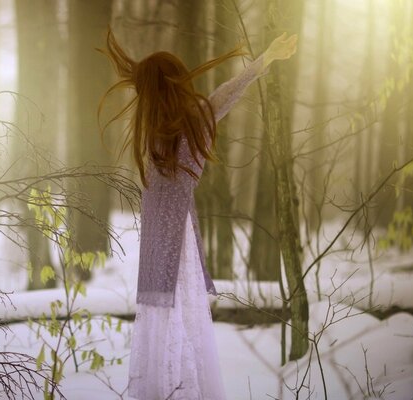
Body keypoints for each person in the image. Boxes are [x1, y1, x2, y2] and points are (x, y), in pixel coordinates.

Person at [99, 29, 297, 400]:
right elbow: (221, 98)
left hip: (167, 241)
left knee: (170, 318)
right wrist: (263, 61)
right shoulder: (170, 128)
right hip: (171, 242)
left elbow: (221, 97)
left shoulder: (165, 129)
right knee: (168, 317)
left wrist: (263, 61)